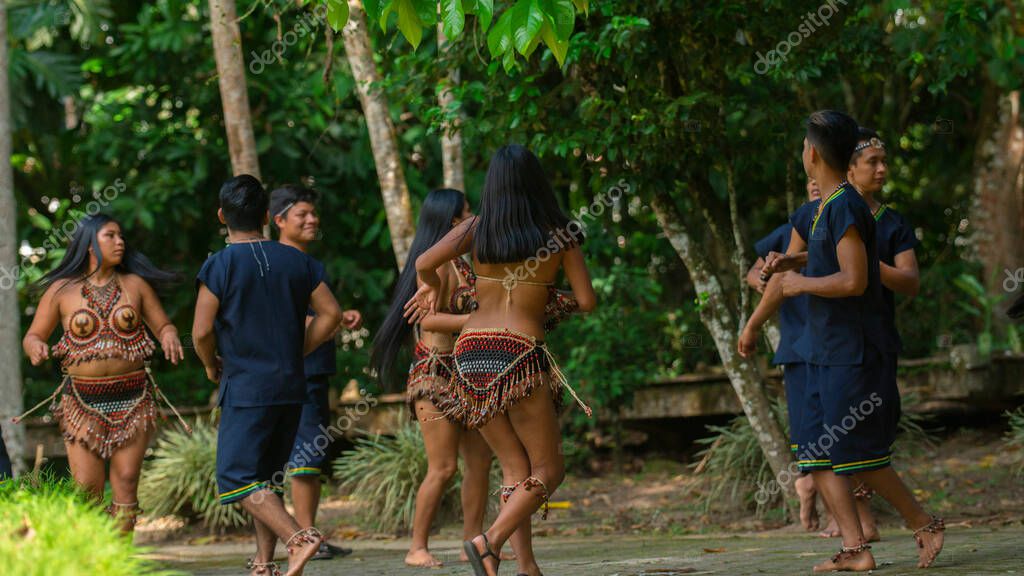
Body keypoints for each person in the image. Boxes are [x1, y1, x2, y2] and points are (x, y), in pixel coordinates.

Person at [739, 111, 943, 572]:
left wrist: (800, 284)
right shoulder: (821, 210)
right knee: (816, 455)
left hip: (852, 352)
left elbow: (854, 279)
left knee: (860, 456)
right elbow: (827, 256)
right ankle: (856, 550)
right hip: (818, 352)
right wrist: (789, 265)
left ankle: (924, 522)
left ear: (812, 153)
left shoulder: (847, 205)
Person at [405, 145, 596, 576]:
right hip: (517, 353)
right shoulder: (559, 233)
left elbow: (423, 261)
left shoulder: (475, 228)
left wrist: (430, 286)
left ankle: (526, 566)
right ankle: (488, 540)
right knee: (549, 469)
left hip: (470, 353)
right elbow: (586, 301)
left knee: (514, 466)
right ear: (537, 182)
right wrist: (546, 297)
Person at [193, 175, 343, 576]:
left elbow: (202, 331)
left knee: (236, 477)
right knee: (266, 479)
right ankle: (264, 564)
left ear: (221, 215)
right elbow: (332, 314)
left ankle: (300, 538)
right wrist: (299, 349)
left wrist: (211, 365)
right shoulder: (298, 261)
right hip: (291, 386)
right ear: (265, 215)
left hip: (245, 387)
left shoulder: (219, 264)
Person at [18, 214, 185, 533]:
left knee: (126, 481)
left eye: (121, 236)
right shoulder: (61, 290)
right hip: (82, 404)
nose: (120, 242)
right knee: (87, 489)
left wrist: (168, 335)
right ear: (90, 243)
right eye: (111, 236)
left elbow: (163, 324)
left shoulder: (135, 285)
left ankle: (119, 561)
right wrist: (35, 346)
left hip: (134, 399)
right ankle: (95, 561)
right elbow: (33, 335)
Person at [372, 188, 509, 569]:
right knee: (444, 466)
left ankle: (475, 542)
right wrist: (476, 321)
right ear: (453, 221)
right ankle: (416, 547)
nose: (473, 219)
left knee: (480, 462)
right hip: (435, 375)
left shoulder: (460, 263)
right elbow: (427, 320)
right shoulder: (435, 267)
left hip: (467, 374)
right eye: (468, 213)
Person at [270, 184, 361, 561]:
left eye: (312, 213)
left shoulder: (306, 263)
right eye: (301, 215)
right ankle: (302, 540)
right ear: (279, 220)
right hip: (295, 372)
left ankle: (305, 537)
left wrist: (337, 319)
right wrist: (326, 320)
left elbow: (318, 313)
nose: (312, 220)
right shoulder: (274, 262)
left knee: (309, 455)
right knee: (300, 456)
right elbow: (275, 318)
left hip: (311, 370)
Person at [744, 176, 822, 532]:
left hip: (837, 340)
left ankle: (832, 504)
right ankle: (808, 483)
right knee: (807, 422)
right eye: (810, 180)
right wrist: (764, 282)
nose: (816, 185)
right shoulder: (793, 227)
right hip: (797, 341)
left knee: (838, 423)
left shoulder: (846, 224)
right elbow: (754, 272)